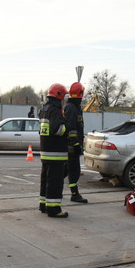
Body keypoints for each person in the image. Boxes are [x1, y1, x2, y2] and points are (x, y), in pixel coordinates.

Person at [38, 83, 69, 218]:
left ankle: (43, 205)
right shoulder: (55, 111)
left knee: (46, 180)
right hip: (55, 153)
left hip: (46, 151)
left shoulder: (44, 109)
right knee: (55, 182)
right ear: (59, 96)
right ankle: (54, 209)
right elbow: (58, 130)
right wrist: (67, 126)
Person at [64, 82, 87, 203]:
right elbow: (71, 128)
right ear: (80, 94)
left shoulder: (74, 107)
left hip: (72, 146)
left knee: (65, 171)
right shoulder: (71, 108)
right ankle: (74, 194)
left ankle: (53, 190)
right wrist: (76, 144)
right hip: (71, 147)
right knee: (74, 171)